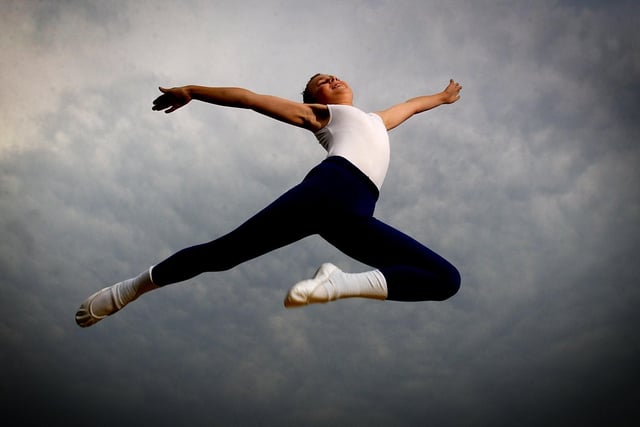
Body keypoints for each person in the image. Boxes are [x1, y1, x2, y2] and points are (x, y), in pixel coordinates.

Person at [75, 74, 463, 328]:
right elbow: (249, 98)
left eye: (330, 75)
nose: (329, 79)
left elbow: (411, 106)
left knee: (445, 280)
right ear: (314, 100)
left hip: (357, 212)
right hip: (331, 188)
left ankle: (339, 283)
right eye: (320, 83)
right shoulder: (323, 116)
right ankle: (128, 289)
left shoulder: (376, 120)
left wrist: (442, 98)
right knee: (223, 254)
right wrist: (193, 91)